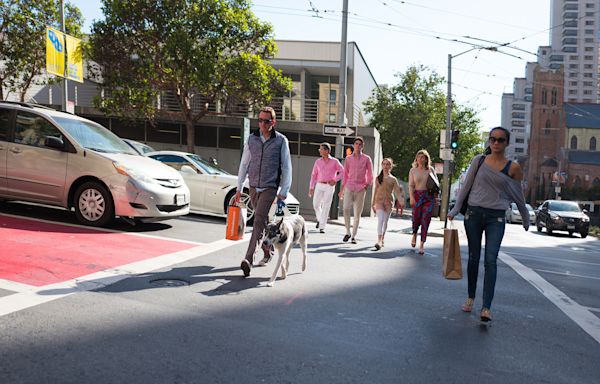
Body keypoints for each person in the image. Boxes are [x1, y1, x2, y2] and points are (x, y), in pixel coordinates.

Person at [448, 126, 529, 323]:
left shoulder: (513, 168)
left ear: (507, 143)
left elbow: (518, 195)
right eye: (492, 139)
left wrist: (525, 216)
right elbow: (466, 186)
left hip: (497, 218)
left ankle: (486, 307)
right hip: (473, 214)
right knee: (474, 258)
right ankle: (470, 298)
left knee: (491, 260)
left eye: (500, 140)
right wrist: (456, 209)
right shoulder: (479, 160)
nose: (495, 143)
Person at [234, 107, 292, 277]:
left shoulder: (281, 141)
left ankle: (248, 259)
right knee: (264, 223)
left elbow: (287, 167)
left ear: (273, 122)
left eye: (266, 121)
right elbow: (244, 164)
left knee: (258, 221)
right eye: (259, 120)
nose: (262, 124)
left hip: (269, 187)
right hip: (253, 186)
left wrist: (284, 190)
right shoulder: (251, 139)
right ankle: (268, 252)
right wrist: (239, 187)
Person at [339, 136, 373, 244]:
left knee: (357, 214)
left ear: (363, 146)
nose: (358, 146)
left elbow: (370, 174)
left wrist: (367, 185)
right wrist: (342, 189)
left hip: (360, 188)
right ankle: (348, 232)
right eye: (356, 144)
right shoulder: (348, 159)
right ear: (353, 145)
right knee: (345, 209)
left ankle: (353, 236)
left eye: (360, 144)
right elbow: (345, 174)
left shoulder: (367, 159)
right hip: (349, 186)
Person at [308, 142, 344, 234]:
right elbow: (314, 175)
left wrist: (335, 180)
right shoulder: (318, 161)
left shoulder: (335, 161)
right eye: (319, 149)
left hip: (329, 186)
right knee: (316, 204)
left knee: (326, 206)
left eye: (321, 149)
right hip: (319, 185)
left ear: (327, 150)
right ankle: (320, 219)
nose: (319, 151)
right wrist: (311, 187)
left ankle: (322, 226)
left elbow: (342, 171)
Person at [408, 149, 438, 255]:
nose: (421, 159)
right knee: (416, 218)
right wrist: (411, 197)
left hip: (428, 197)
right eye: (419, 157)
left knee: (425, 219)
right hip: (417, 195)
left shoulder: (431, 170)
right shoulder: (413, 170)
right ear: (416, 158)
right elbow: (411, 185)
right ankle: (415, 234)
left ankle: (422, 244)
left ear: (426, 159)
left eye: (423, 157)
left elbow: (436, 185)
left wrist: (436, 198)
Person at [371, 158, 404, 250]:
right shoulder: (378, 178)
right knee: (380, 219)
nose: (385, 166)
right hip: (379, 201)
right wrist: (373, 202)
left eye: (388, 164)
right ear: (382, 165)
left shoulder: (393, 179)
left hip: (388, 202)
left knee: (385, 221)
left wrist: (400, 200)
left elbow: (397, 191)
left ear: (391, 166)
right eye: (384, 164)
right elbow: (375, 190)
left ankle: (383, 238)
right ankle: (379, 240)